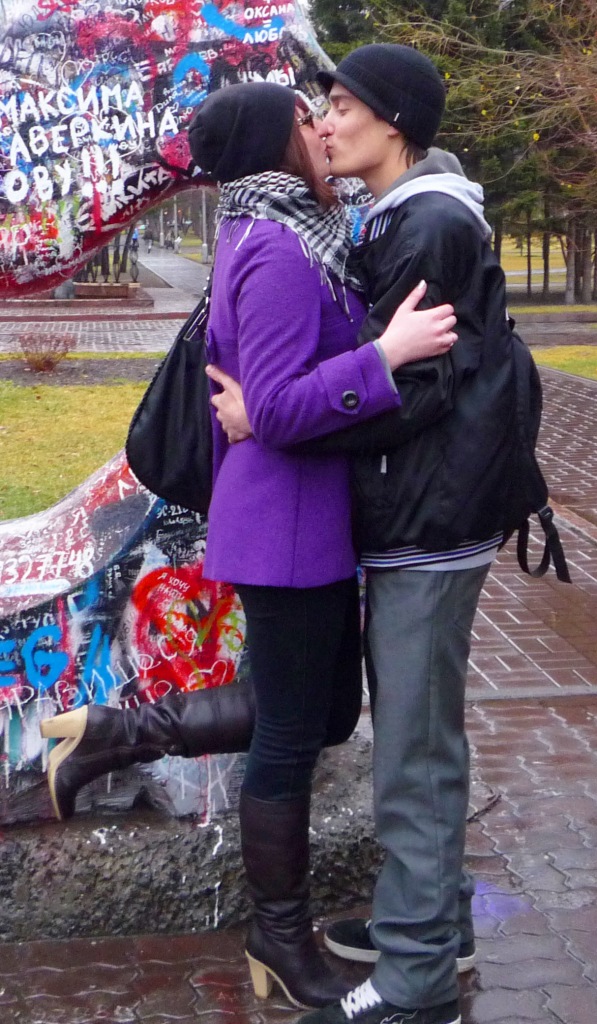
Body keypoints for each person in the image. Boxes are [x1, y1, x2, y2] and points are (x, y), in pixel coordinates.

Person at [40, 82, 457, 1012]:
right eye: (306, 118)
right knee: (290, 737)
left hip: (303, 517)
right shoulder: (274, 246)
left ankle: (112, 734)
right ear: (275, 138)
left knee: (319, 713)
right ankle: (278, 935)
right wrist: (386, 355)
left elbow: (268, 394)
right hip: (286, 524)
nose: (321, 127)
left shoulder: (295, 229)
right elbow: (273, 406)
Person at [211, 45, 522, 1024]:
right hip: (412, 517)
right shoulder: (374, 219)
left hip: (427, 522)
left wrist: (272, 417)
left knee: (411, 756)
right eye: (319, 109)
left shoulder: (424, 223)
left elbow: (416, 392)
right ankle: (429, 922)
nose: (326, 122)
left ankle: (417, 977)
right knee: (406, 737)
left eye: (343, 106)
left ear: (394, 123)